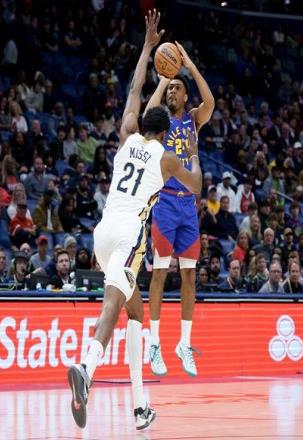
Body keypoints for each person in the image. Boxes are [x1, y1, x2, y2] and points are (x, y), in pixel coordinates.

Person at [66, 10, 202, 431]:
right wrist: (192, 156)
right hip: (128, 236)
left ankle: (141, 406)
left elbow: (134, 88)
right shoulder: (167, 158)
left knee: (137, 314)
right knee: (112, 302)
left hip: (102, 233)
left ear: (144, 123)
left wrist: (147, 49)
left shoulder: (126, 134)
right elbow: (197, 186)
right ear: (166, 131)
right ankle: (86, 368)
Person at [145, 36, 214, 378]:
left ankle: (184, 344)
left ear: (186, 96)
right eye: (169, 89)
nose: (172, 92)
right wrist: (163, 78)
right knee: (159, 272)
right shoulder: (161, 122)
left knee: (189, 275)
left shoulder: (194, 119)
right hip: (165, 202)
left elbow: (211, 101)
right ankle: (154, 342)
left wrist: (189, 67)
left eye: (176, 88)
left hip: (189, 206)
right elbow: (146, 115)